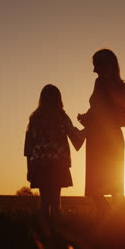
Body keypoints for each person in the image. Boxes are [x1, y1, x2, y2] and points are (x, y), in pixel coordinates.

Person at [77, 48, 125, 213]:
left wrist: (96, 118)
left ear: (106, 65)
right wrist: (88, 118)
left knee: (115, 189)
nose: (94, 70)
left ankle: (121, 223)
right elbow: (96, 110)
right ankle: (113, 222)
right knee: (95, 190)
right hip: (97, 141)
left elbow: (122, 120)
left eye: (96, 65)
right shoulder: (98, 84)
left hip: (111, 142)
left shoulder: (121, 88)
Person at [24, 84, 84, 218]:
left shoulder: (35, 118)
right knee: (56, 203)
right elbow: (76, 139)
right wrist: (88, 129)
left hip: (40, 165)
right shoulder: (61, 116)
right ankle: (57, 233)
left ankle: (45, 233)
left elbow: (28, 146)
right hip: (58, 164)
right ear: (59, 99)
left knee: (44, 203)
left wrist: (29, 168)